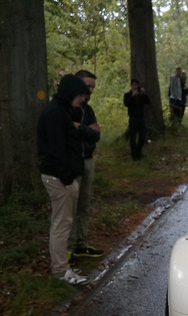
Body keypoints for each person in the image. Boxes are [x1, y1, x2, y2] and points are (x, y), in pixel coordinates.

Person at [37, 74, 90, 285]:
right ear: (71, 93)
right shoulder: (55, 114)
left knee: (60, 223)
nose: (83, 100)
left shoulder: (60, 111)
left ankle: (60, 266)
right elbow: (56, 150)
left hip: (60, 177)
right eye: (80, 96)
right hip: (59, 179)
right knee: (62, 224)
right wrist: (68, 180)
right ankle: (60, 270)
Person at [68, 70, 103, 259]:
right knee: (70, 206)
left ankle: (81, 244)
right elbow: (67, 134)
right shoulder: (66, 108)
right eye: (87, 86)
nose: (90, 91)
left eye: (92, 88)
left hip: (88, 161)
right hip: (73, 162)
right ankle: (68, 247)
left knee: (84, 204)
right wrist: (86, 130)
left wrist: (81, 128)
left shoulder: (88, 110)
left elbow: (96, 134)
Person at [123, 79, 151, 161]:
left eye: (137, 85)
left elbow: (148, 102)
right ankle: (134, 155)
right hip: (133, 119)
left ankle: (138, 152)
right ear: (131, 86)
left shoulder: (141, 95)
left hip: (141, 118)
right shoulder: (127, 95)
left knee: (142, 137)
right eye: (134, 85)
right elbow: (126, 103)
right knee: (133, 137)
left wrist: (144, 94)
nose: (135, 87)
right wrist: (132, 96)